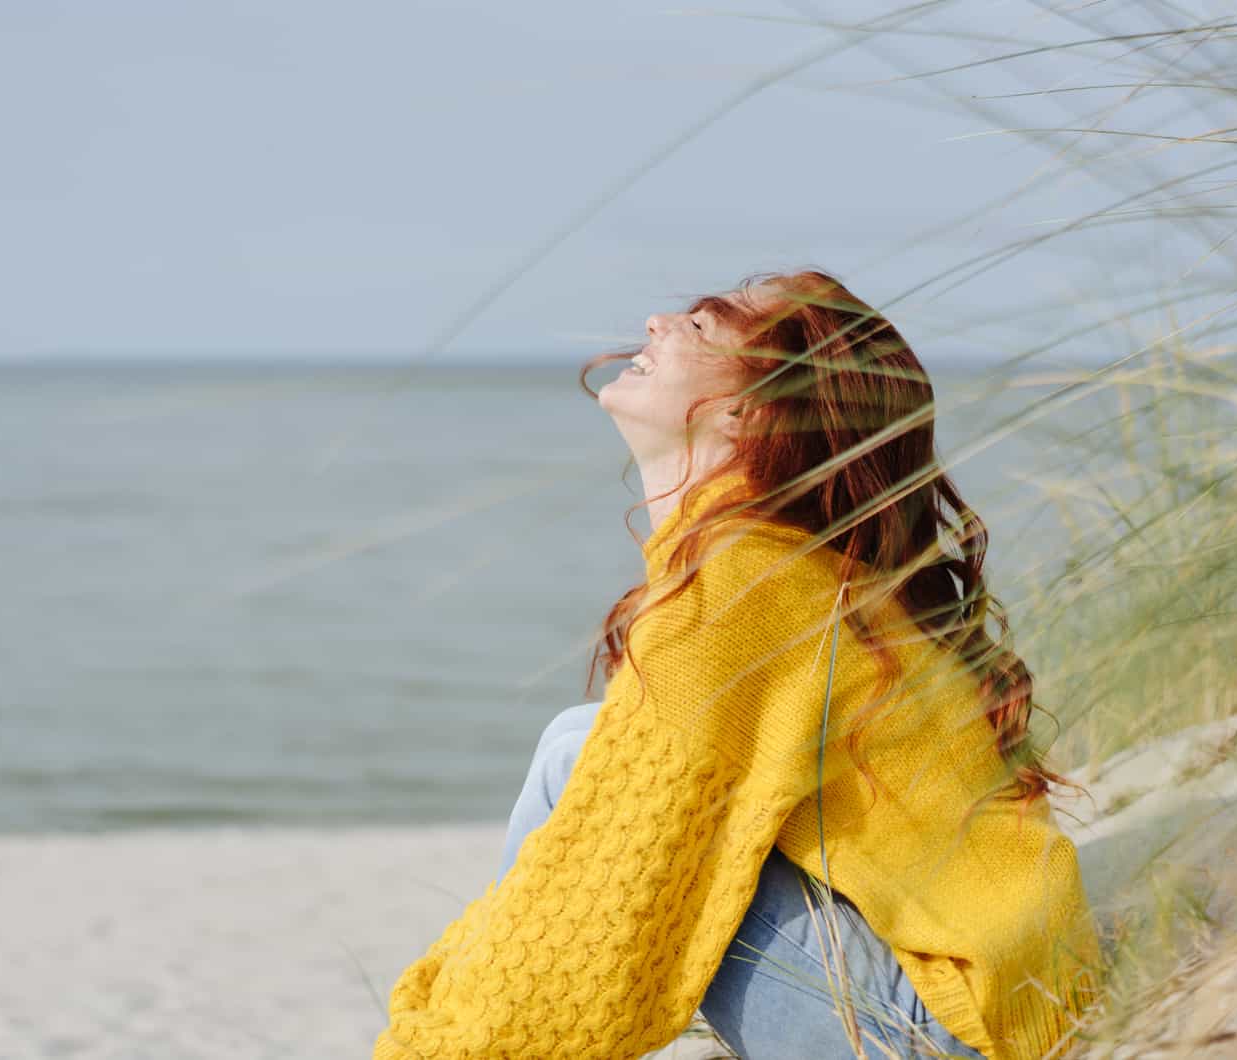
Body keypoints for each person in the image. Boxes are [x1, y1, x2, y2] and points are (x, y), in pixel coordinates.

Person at [373, 269, 1104, 1060]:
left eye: (699, 327)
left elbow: (610, 887)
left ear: (747, 411)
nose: (655, 320)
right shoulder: (783, 566)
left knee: (592, 776)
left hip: (942, 1037)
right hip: (1001, 1010)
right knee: (581, 745)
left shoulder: (746, 579)